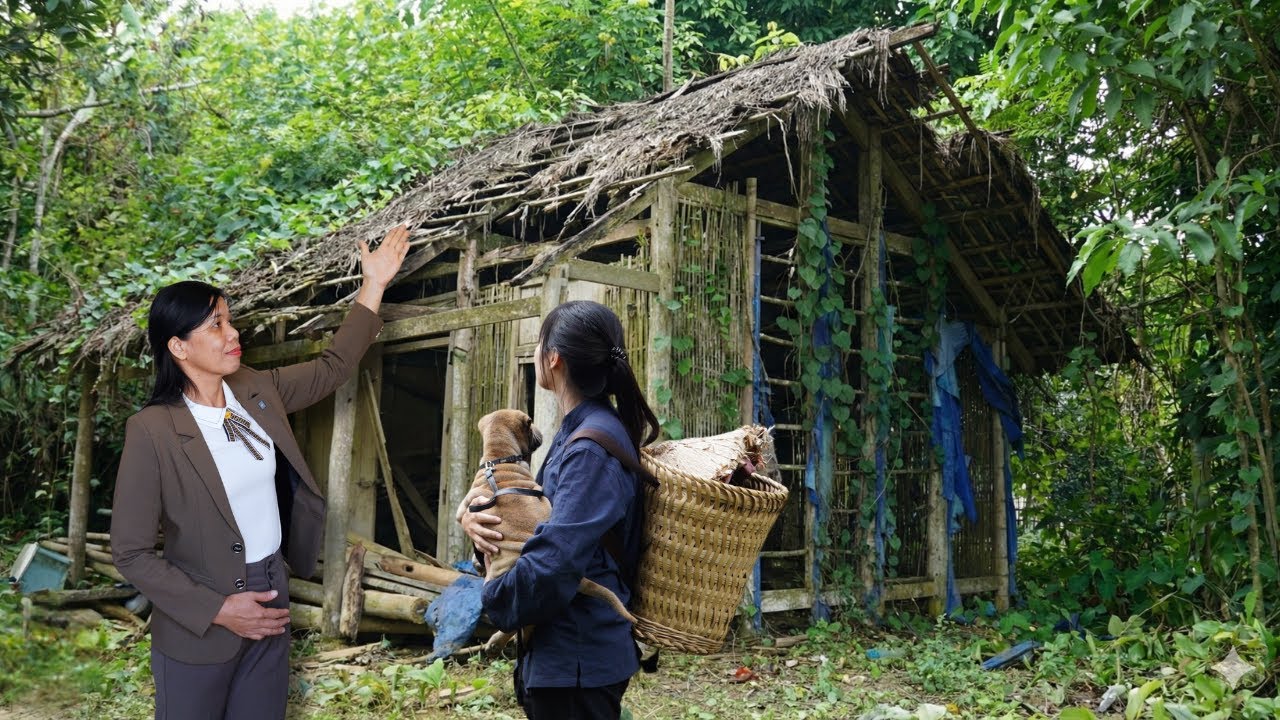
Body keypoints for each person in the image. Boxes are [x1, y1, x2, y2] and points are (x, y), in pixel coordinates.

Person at [111, 225, 409, 720]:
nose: (233, 335)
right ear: (178, 348)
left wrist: (373, 285)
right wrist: (219, 609)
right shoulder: (152, 431)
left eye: (229, 320)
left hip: (271, 589)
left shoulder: (253, 390)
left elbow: (333, 368)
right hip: (199, 617)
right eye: (215, 326)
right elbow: (131, 551)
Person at [459, 299, 660, 720]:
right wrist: (483, 528)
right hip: (565, 654)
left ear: (552, 358)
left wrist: (494, 599)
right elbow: (542, 530)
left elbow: (555, 561)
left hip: (577, 658)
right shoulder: (581, 433)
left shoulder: (590, 448)